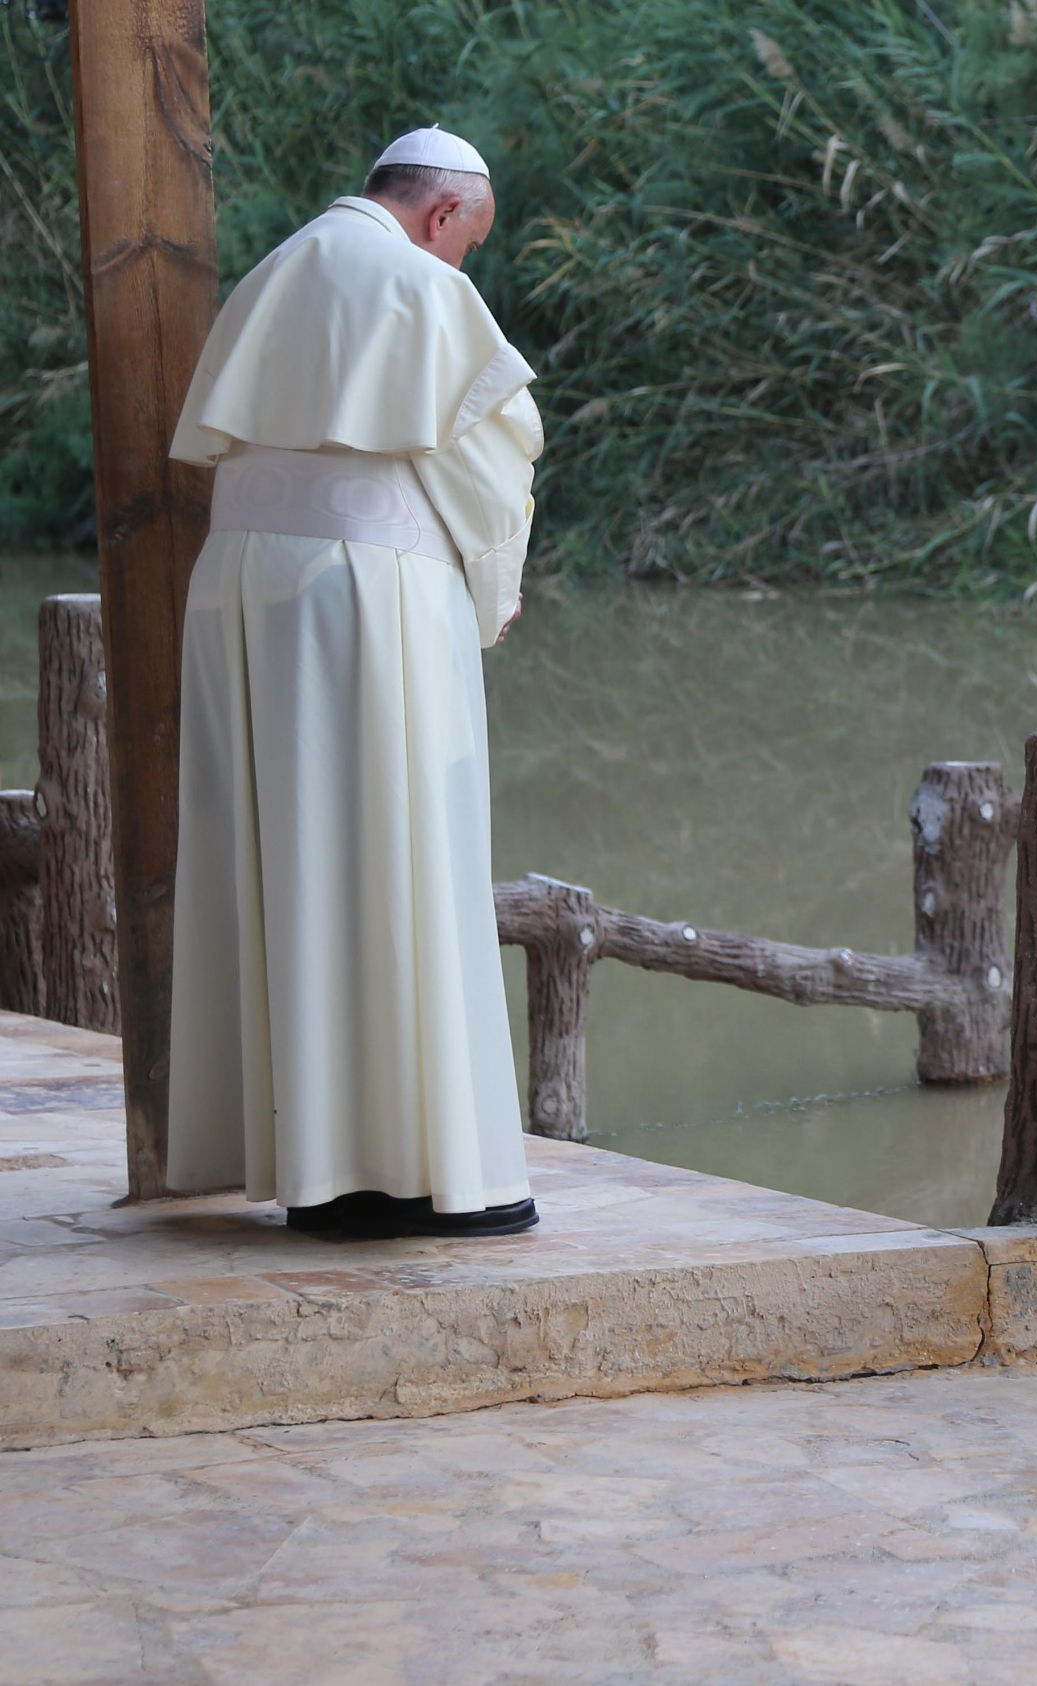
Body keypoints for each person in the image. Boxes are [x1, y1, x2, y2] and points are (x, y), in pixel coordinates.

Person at [165, 127, 543, 1240]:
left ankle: (316, 1165)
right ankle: (416, 1171)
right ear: (442, 217)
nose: (458, 264)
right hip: (363, 594)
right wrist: (496, 585)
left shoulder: (277, 268)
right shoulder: (413, 282)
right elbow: (492, 451)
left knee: (286, 859)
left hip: (242, 587)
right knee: (399, 851)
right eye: (466, 243)